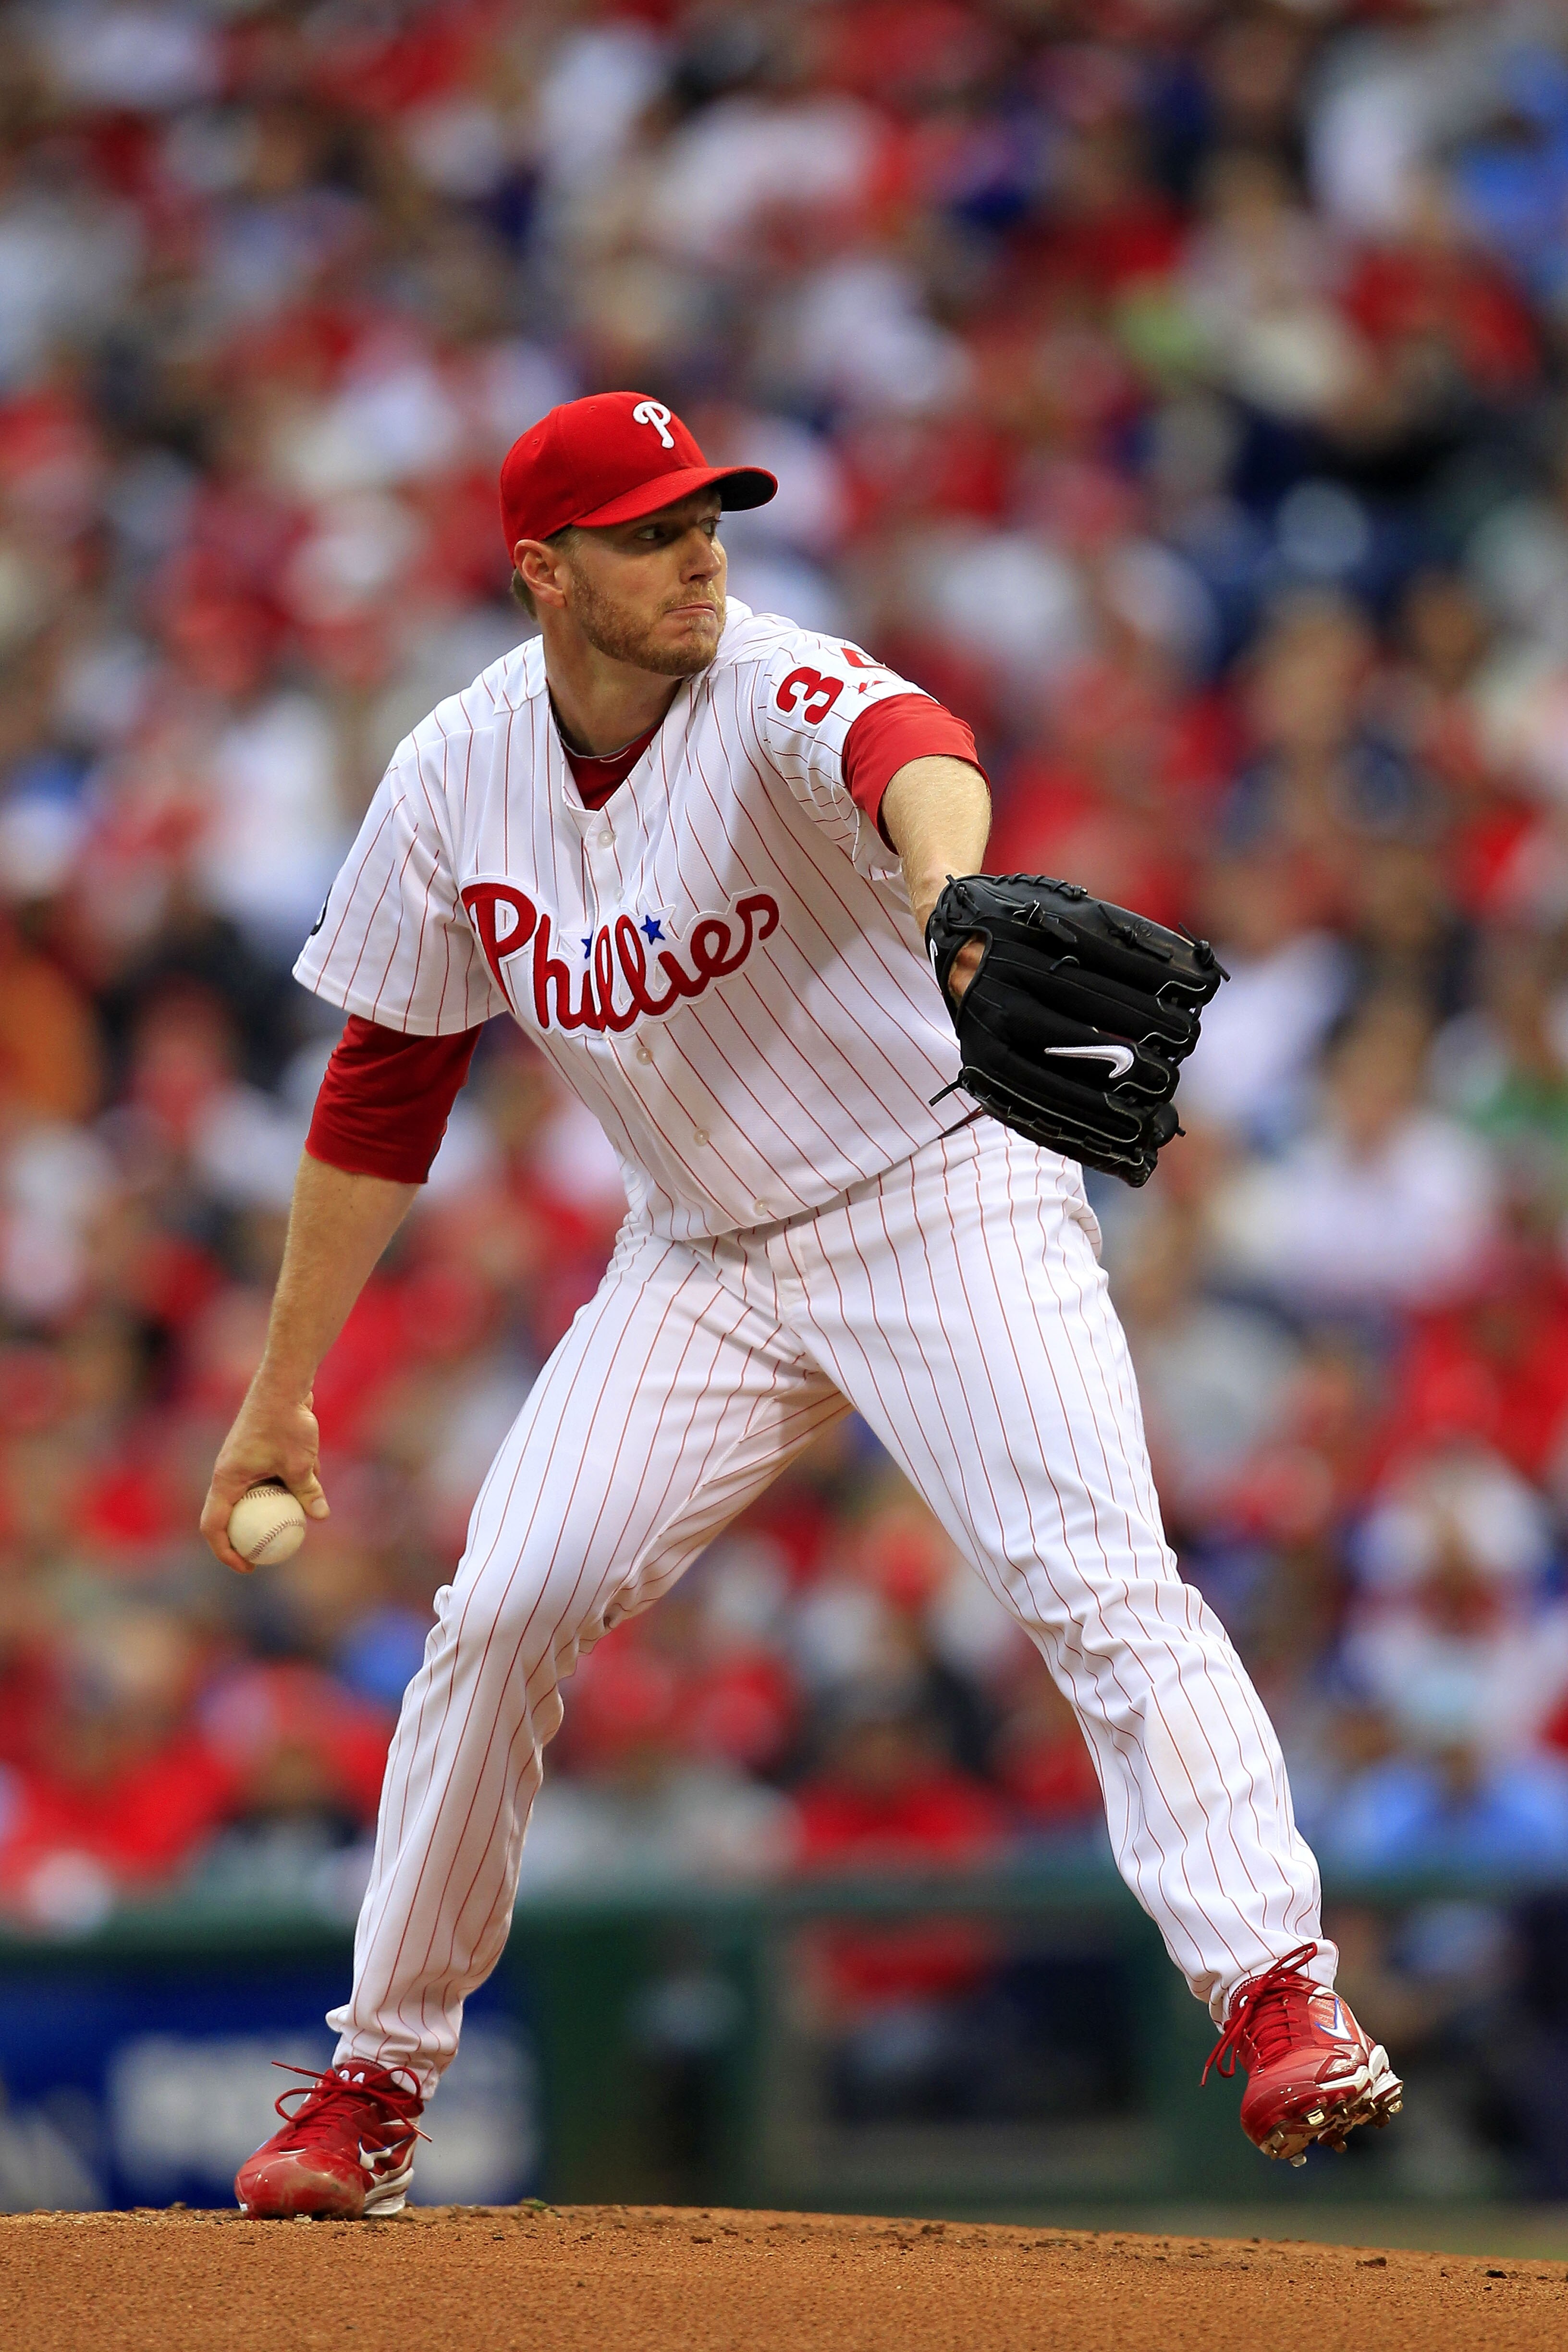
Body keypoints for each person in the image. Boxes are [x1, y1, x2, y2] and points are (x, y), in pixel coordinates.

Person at [206, 392, 1400, 2218]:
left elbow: (914, 748)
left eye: (712, 517)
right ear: (545, 570)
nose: (702, 552)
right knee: (501, 1608)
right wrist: (282, 1388)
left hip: (942, 1190)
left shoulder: (766, 681)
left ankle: (1277, 1990)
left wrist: (954, 894)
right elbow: (385, 1083)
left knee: (1094, 1577)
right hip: (698, 1258)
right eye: (652, 529)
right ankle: (373, 2079)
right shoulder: (457, 770)